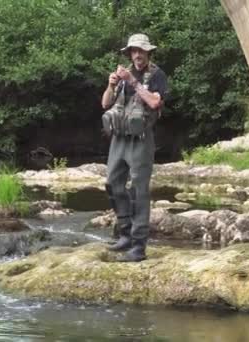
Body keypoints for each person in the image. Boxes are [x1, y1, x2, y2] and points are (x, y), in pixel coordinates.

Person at [101, 33, 168, 262]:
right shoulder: (122, 74)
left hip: (140, 139)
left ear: (148, 53)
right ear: (130, 53)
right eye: (134, 51)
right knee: (112, 183)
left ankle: (138, 246)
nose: (137, 55)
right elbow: (105, 103)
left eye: (141, 50)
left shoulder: (157, 75)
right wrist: (111, 85)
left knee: (140, 190)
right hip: (119, 139)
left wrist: (133, 82)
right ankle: (125, 234)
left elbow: (154, 102)